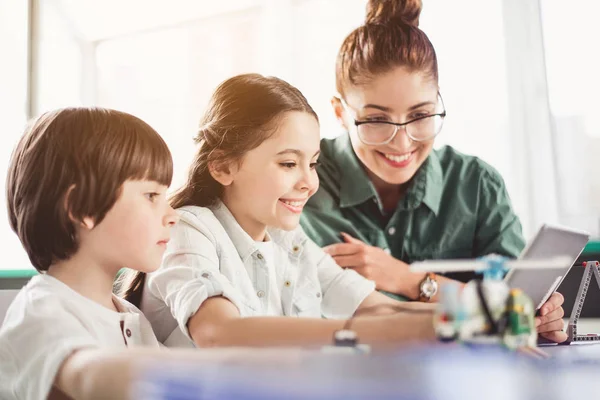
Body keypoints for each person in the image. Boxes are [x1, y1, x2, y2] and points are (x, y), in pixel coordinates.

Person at [299, 0, 566, 343]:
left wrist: (407, 279)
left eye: (421, 115)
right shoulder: (301, 180)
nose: (402, 142)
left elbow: (516, 308)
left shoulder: (477, 185)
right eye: (378, 120)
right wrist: (491, 310)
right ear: (340, 112)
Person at [0, 107, 299, 400]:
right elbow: (88, 375)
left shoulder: (131, 318)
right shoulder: (41, 311)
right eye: (151, 196)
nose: (173, 215)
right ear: (82, 208)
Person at [124, 73, 437, 348]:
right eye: (289, 164)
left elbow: (374, 308)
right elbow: (218, 332)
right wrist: (363, 333)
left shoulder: (288, 239)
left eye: (312, 164)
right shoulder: (189, 230)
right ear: (222, 167)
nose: (309, 183)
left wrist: (468, 318)